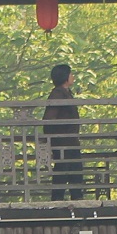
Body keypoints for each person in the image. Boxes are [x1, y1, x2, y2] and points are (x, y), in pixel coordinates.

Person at [44, 63, 84, 200]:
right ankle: (58, 200)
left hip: (69, 141)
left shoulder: (64, 94)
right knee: (65, 171)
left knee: (73, 171)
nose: (72, 77)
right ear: (65, 77)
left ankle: (74, 199)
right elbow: (49, 119)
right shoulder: (58, 94)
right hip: (64, 141)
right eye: (70, 74)